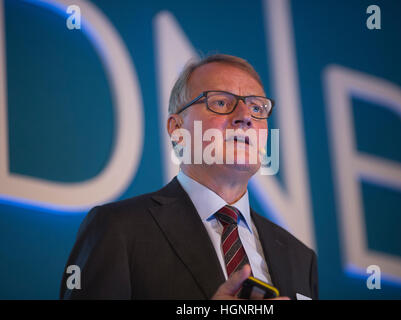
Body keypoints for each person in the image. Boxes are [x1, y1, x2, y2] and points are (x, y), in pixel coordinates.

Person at [60, 54, 318, 300]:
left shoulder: (300, 258)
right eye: (220, 102)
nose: (245, 117)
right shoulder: (118, 228)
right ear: (177, 129)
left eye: (256, 107)